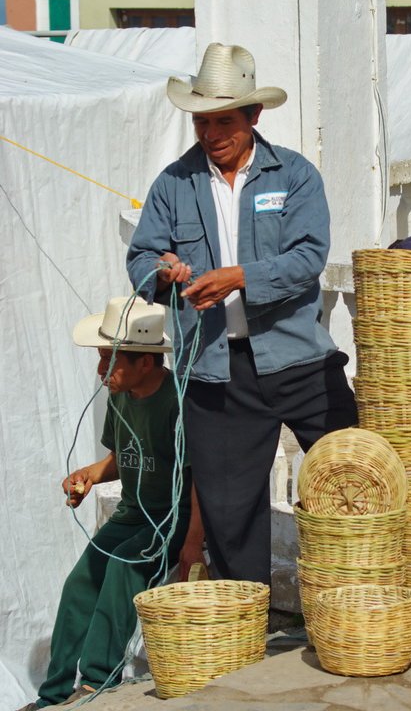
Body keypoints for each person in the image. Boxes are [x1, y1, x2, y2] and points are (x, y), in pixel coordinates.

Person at [126, 42, 357, 588]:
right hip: (214, 371)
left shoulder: (295, 176)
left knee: (352, 471)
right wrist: (163, 273)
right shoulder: (172, 184)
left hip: (298, 357)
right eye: (202, 123)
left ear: (254, 116)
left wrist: (239, 278)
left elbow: (307, 258)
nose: (211, 135)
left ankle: (357, 604)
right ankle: (244, 641)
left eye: (224, 121)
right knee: (231, 521)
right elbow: (139, 259)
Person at [18, 296, 204, 710]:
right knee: (79, 582)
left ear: (146, 363)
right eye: (102, 357)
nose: (102, 369)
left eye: (112, 359)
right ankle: (53, 694)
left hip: (172, 518)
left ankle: (97, 684)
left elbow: (200, 478)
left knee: (122, 566)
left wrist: (193, 542)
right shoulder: (120, 396)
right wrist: (88, 475)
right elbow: (121, 459)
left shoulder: (179, 402)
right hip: (131, 514)